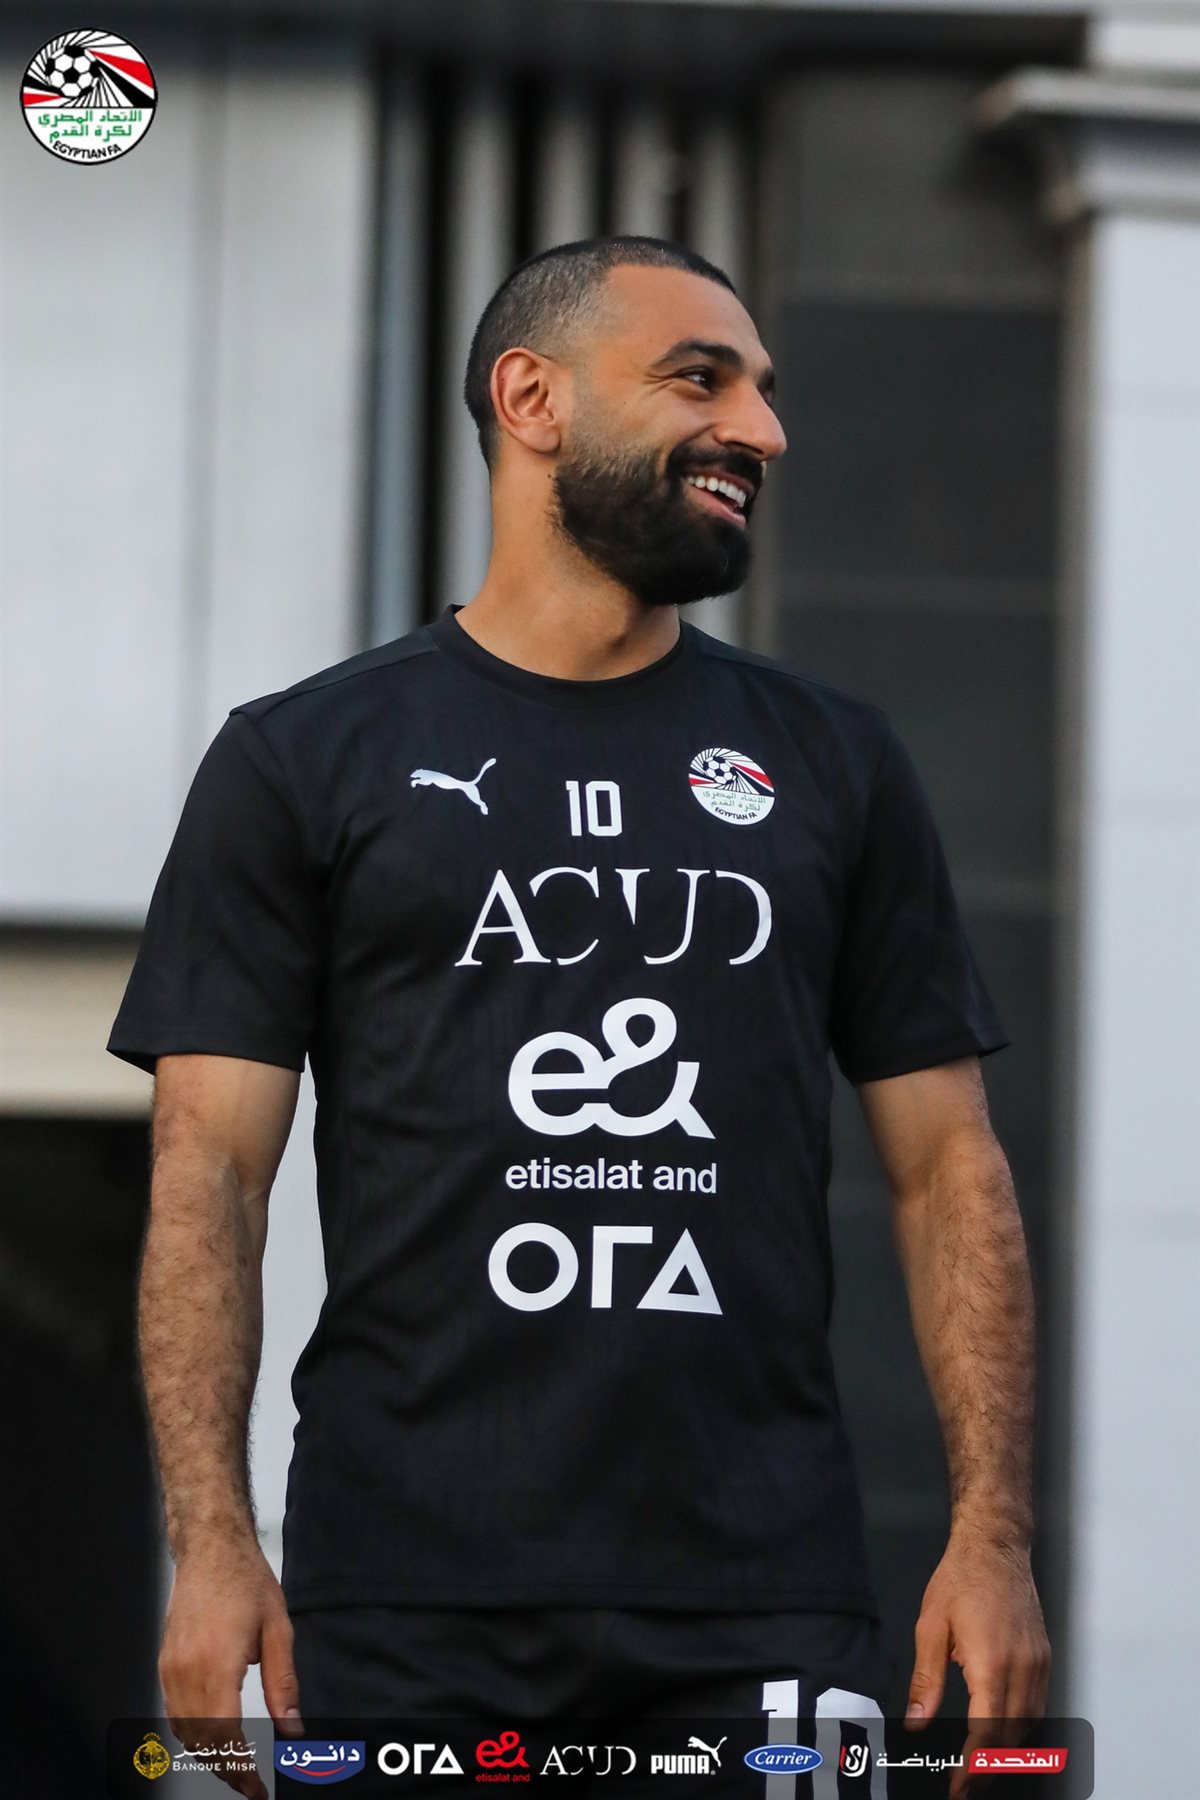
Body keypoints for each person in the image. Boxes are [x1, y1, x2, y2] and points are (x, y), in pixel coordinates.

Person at [108, 236, 1049, 1800]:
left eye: (763, 389)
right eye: (701, 378)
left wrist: (993, 1538)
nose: (761, 428)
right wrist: (211, 1545)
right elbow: (208, 1173)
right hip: (402, 1604)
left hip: (763, 1600)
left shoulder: (836, 762)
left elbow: (951, 1168)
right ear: (531, 400)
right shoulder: (304, 760)